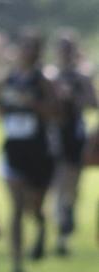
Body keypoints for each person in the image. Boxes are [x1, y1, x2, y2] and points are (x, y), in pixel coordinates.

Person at [0, 32, 58, 272]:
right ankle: (17, 266)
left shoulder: (43, 80)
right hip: (13, 149)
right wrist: (4, 107)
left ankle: (41, 227)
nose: (27, 53)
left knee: (34, 207)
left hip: (39, 151)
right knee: (17, 208)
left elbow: (54, 111)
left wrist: (32, 103)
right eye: (24, 47)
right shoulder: (6, 79)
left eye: (32, 49)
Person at [50, 32, 97, 256]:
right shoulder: (51, 76)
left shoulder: (81, 77)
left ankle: (66, 223)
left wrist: (73, 97)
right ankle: (60, 231)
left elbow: (92, 102)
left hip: (74, 136)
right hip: (53, 136)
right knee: (58, 185)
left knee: (72, 186)